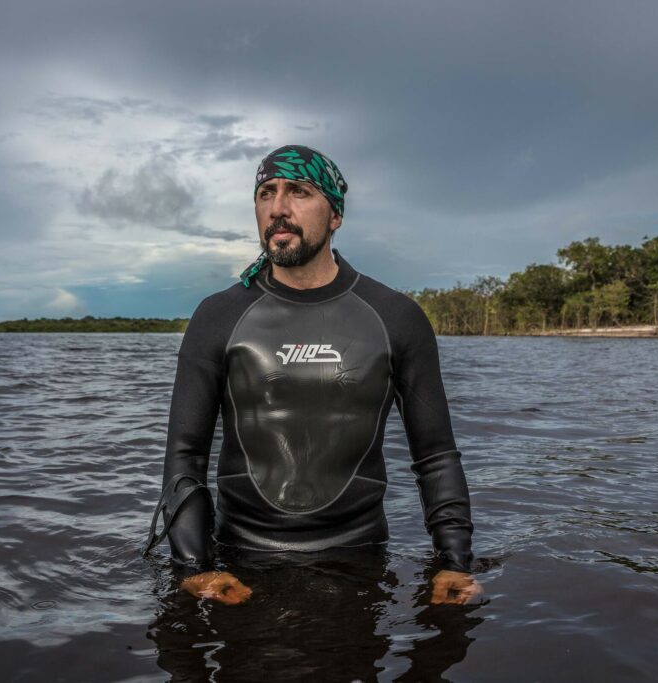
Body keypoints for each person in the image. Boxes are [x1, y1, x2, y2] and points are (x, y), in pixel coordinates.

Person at [145, 145, 481, 606]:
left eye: (298, 191)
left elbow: (437, 455)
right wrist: (195, 568)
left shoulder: (395, 317)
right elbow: (185, 458)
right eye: (266, 193)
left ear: (336, 214)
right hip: (241, 561)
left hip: (361, 561)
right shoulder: (218, 316)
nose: (278, 208)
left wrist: (454, 563)